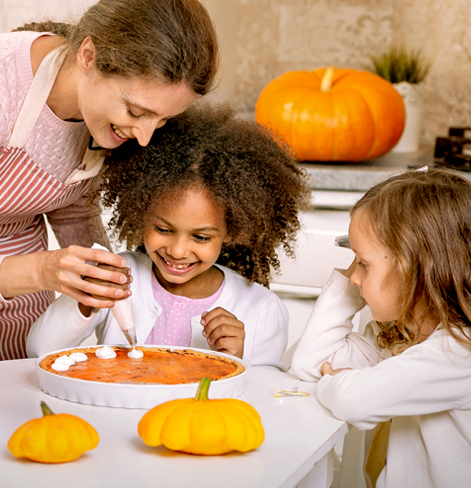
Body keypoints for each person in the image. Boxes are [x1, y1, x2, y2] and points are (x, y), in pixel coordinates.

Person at [0, 0, 219, 387]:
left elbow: (73, 205)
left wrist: (103, 277)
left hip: (18, 315)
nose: (145, 136)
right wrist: (44, 270)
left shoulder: (105, 117)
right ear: (89, 55)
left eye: (160, 121)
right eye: (135, 111)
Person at [290, 168, 471, 488]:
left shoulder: (459, 353)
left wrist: (338, 383)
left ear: (416, 271)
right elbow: (308, 363)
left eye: (363, 263)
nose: (353, 275)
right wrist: (356, 283)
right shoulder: (400, 334)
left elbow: (353, 400)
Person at [27, 103, 310, 368]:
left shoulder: (259, 308)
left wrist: (236, 358)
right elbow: (39, 350)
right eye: (163, 229)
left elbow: (262, 400)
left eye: (200, 237)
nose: (177, 250)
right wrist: (85, 300)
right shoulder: (118, 276)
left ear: (233, 230)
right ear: (139, 212)